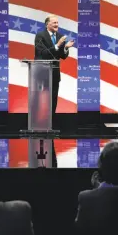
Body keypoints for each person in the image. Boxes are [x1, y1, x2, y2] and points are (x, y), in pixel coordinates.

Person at [34, 15, 74, 168]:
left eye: (58, 22)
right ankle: (40, 126)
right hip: (42, 72)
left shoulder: (58, 36)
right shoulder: (40, 36)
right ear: (47, 24)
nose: (57, 25)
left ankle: (49, 125)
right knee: (42, 100)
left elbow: (62, 56)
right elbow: (43, 54)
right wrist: (57, 45)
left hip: (55, 72)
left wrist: (65, 48)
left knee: (53, 100)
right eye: (54, 23)